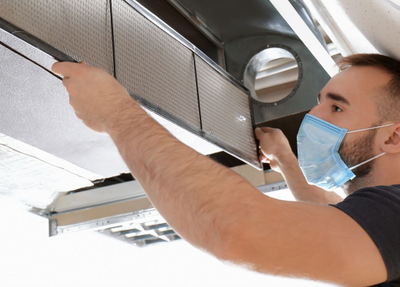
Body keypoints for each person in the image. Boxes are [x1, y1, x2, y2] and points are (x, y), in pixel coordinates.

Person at [52, 53, 400, 286]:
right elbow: (328, 217)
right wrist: (286, 163)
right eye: (319, 101)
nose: (312, 117)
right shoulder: (380, 222)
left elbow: (240, 231)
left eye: (337, 108)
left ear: (394, 136)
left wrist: (117, 115)